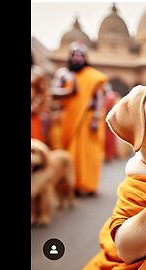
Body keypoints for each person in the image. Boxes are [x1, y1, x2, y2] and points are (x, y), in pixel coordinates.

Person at [53, 42, 108, 196]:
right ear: (70, 57)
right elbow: (53, 92)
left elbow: (98, 98)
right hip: (69, 118)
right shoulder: (63, 74)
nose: (78, 58)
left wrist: (96, 119)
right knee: (70, 154)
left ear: (85, 58)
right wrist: (68, 91)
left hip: (88, 119)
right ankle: (72, 185)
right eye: (75, 55)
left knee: (90, 154)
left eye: (81, 55)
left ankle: (89, 186)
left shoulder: (93, 76)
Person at [31, 52, 50, 143]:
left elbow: (43, 93)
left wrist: (34, 106)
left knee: (35, 142)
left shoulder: (37, 72)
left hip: (34, 113)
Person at [103, 83, 120, 162]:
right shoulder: (113, 97)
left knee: (109, 139)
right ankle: (109, 155)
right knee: (110, 139)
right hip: (111, 121)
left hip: (106, 121)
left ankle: (109, 155)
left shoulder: (108, 97)